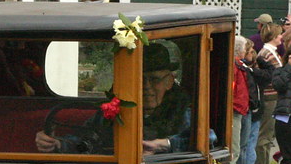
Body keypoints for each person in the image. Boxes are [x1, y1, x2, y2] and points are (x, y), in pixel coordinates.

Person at [34, 42, 192, 155]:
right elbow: (87, 139)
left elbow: (201, 141)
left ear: (169, 81)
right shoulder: (114, 108)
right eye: (139, 79)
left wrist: (165, 145)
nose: (146, 86)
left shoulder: (183, 112)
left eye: (154, 79)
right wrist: (57, 143)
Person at [253, 23, 284, 164]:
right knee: (266, 130)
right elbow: (271, 75)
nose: (281, 37)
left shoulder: (272, 52)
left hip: (275, 95)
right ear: (273, 36)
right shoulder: (266, 53)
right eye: (279, 34)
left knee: (270, 131)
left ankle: (264, 162)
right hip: (269, 95)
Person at [231, 36, 250, 164]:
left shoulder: (239, 65)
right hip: (235, 109)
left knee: (238, 146)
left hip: (239, 109)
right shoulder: (235, 66)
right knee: (234, 148)